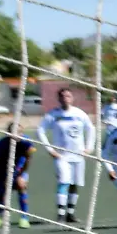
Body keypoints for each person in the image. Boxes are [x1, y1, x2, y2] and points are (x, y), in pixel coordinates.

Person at [36, 87, 97, 226]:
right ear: (59, 99)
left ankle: (70, 213)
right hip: (62, 156)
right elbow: (40, 130)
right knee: (64, 181)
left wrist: (89, 148)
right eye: (63, 96)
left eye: (68, 96)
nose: (65, 98)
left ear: (72, 98)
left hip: (78, 155)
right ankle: (61, 214)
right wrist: (50, 150)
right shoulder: (53, 115)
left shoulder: (79, 114)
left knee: (75, 184)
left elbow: (91, 129)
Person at [0, 121, 33, 227]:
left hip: (19, 168)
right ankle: (2, 217)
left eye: (20, 132)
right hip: (1, 169)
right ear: (8, 133)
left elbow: (28, 159)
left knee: (22, 186)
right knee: (1, 192)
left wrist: (21, 174)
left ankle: (24, 218)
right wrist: (5, 178)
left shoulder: (26, 142)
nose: (17, 135)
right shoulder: (0, 145)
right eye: (14, 132)